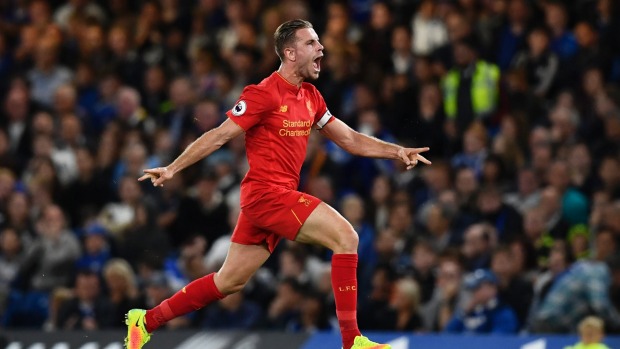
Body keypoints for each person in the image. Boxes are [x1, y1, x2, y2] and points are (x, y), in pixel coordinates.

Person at [125, 19, 430, 349]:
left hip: (271, 199)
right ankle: (352, 341)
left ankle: (146, 320)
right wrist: (173, 168)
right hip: (266, 195)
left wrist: (396, 151)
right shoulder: (263, 94)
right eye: (312, 43)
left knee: (229, 281)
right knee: (347, 237)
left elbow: (349, 138)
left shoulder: (311, 96)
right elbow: (219, 136)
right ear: (290, 52)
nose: (321, 48)